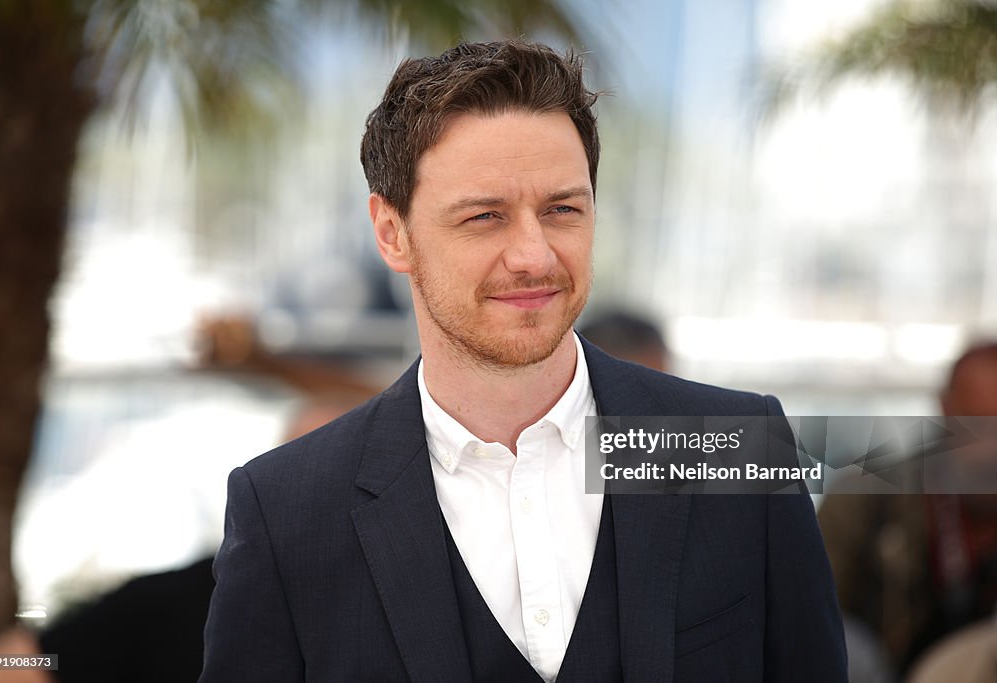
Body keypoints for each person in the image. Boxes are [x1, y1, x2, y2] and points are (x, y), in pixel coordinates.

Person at [200, 40, 846, 682]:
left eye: (563, 208)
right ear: (392, 232)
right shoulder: (285, 511)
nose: (534, 255)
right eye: (485, 217)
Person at [818, 341, 997, 676]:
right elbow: (806, 613)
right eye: (977, 424)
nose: (989, 450)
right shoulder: (866, 499)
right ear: (945, 410)